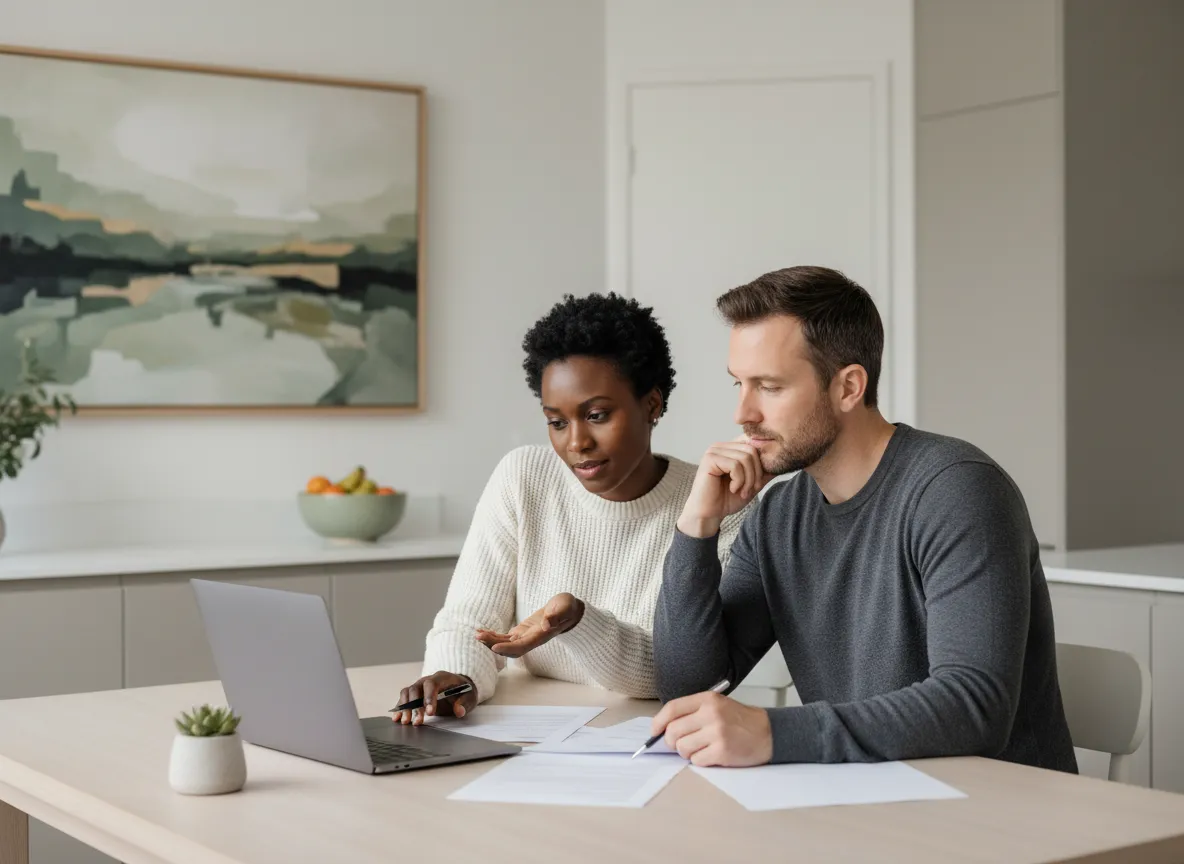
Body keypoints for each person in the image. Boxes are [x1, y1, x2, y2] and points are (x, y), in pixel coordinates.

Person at [650, 265, 1077, 774]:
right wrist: (697, 527)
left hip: (1001, 818)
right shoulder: (779, 516)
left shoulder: (958, 490)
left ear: (849, 387)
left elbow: (975, 705)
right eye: (739, 384)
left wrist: (773, 732)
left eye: (768, 386)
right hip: (870, 802)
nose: (744, 413)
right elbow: (688, 687)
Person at [394, 292, 748, 724]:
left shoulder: (715, 503)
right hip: (527, 729)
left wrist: (576, 619)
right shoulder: (524, 476)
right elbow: (469, 621)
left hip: (644, 738)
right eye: (557, 422)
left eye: (597, 415)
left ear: (651, 404)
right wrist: (456, 679)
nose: (576, 443)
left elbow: (672, 672)